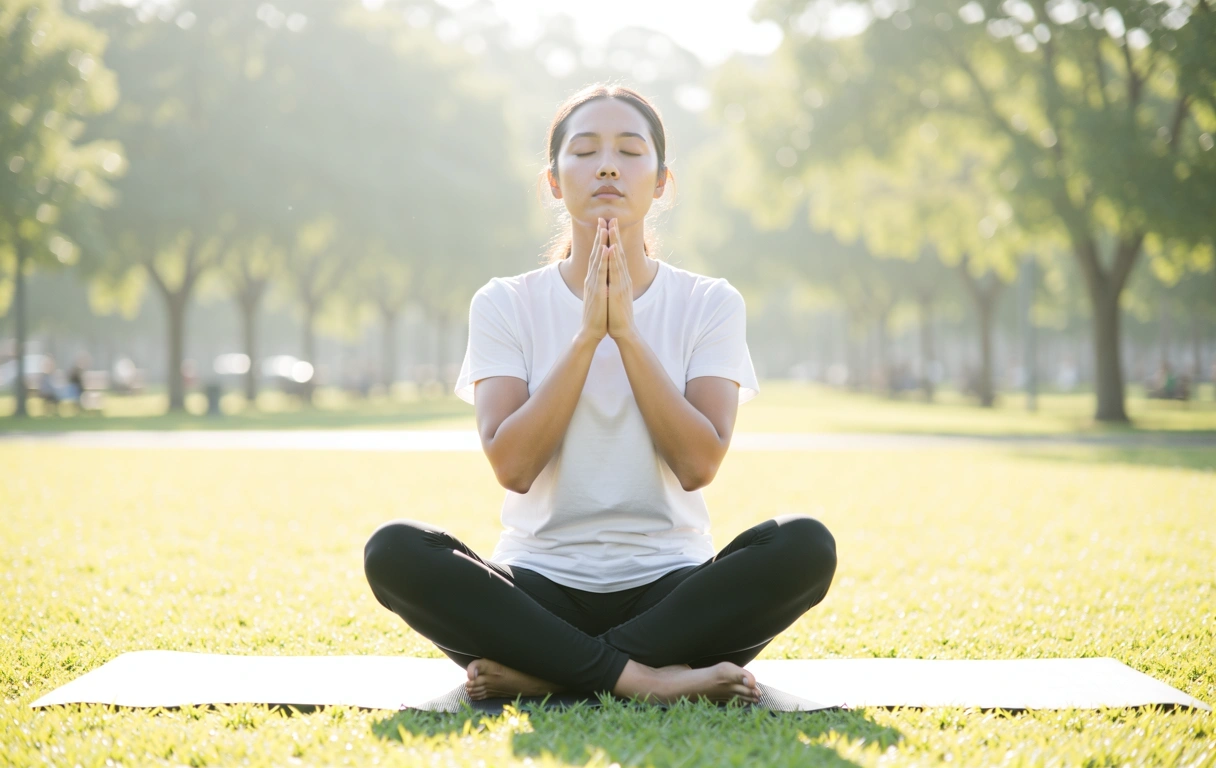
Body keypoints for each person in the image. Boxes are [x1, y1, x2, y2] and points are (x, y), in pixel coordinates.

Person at [363, 84, 837, 706]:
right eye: (584, 151)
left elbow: (698, 466)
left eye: (629, 151)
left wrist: (629, 336)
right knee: (395, 550)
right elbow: (515, 467)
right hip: (534, 591)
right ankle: (642, 679)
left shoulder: (708, 302)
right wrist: (589, 335)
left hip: (672, 592)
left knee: (805, 545)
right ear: (554, 181)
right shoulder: (506, 302)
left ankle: (553, 673)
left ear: (662, 181)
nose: (607, 165)